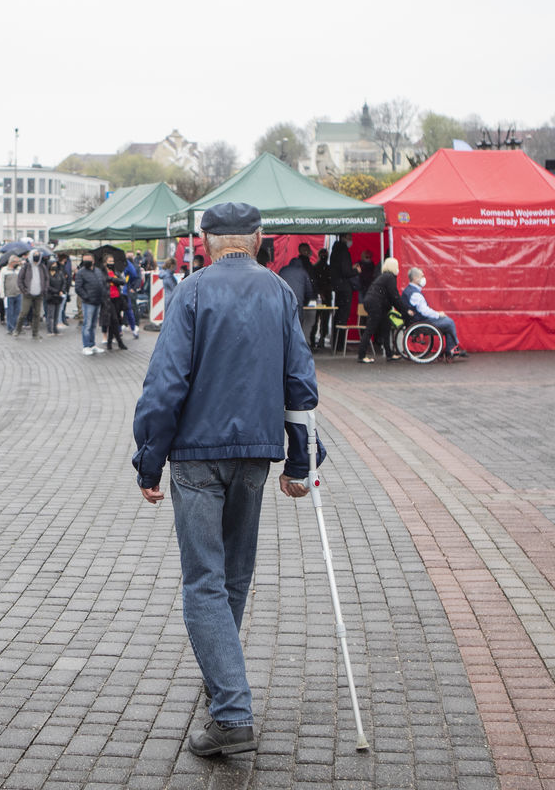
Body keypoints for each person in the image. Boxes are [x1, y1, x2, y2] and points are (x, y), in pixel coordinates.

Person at [131, 202, 321, 758]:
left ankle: (233, 712)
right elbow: (299, 381)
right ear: (258, 238)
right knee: (233, 575)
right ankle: (224, 675)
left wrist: (148, 459)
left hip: (196, 455)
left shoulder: (190, 293)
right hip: (255, 454)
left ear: (205, 240)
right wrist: (300, 462)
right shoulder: (279, 292)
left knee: (204, 581)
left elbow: (165, 385)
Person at [358, 257, 413, 363]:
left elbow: (392, 297)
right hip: (376, 305)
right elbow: (394, 296)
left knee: (385, 326)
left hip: (373, 303)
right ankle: (361, 356)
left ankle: (389, 354)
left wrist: (402, 309)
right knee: (370, 328)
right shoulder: (390, 278)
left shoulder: (384, 277)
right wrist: (405, 311)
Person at [402, 267, 466, 359]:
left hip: (416, 320)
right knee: (449, 322)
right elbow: (424, 311)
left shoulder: (409, 290)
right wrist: (437, 314)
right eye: (422, 276)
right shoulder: (415, 294)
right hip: (421, 321)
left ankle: (451, 349)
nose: (424, 278)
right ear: (416, 278)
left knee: (446, 322)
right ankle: (455, 346)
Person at [330, 235, 360, 347]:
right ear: (344, 238)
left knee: (338, 315)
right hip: (344, 287)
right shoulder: (344, 251)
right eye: (349, 237)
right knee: (343, 316)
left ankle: (337, 343)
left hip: (337, 286)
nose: (351, 239)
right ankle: (340, 344)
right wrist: (355, 271)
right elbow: (346, 271)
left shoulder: (335, 250)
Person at [74, 253, 106, 355]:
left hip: (97, 301)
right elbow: (78, 287)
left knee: (93, 325)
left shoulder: (98, 271)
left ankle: (92, 344)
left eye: (88, 260)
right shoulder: (81, 273)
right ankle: (86, 346)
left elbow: (102, 283)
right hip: (88, 302)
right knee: (87, 325)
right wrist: (86, 296)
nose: (86, 262)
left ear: (93, 261)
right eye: (84, 260)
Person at [14, 249, 47, 339]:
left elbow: (46, 279)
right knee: (24, 312)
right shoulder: (26, 267)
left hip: (39, 294)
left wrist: (44, 289)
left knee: (37, 314)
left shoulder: (42, 267)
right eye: (35, 255)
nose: (36, 256)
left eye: (38, 255)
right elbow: (20, 280)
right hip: (28, 294)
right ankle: (17, 329)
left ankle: (35, 333)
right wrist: (24, 290)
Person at [278, 243, 317, 318]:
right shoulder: (304, 270)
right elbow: (309, 288)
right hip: (299, 301)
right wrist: (311, 298)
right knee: (298, 323)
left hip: (284, 302)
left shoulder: (283, 270)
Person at [101, 255, 128, 350]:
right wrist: (113, 280)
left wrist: (112, 279)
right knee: (115, 320)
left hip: (117, 299)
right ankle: (120, 343)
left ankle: (109, 342)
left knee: (114, 322)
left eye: (112, 261)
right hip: (108, 299)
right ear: (105, 263)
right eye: (109, 261)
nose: (111, 263)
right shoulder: (102, 273)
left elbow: (123, 281)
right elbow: (103, 281)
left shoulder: (115, 272)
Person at [309, 248, 333, 350]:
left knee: (319, 319)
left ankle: (316, 339)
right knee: (321, 319)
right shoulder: (325, 268)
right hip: (323, 296)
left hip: (322, 295)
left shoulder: (318, 267)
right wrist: (321, 292)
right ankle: (319, 339)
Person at [1, 256, 22, 333]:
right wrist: (2, 294)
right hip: (8, 294)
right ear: (11, 262)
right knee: (9, 312)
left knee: (17, 311)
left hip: (18, 293)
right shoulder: (4, 270)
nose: (18, 263)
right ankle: (10, 327)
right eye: (16, 262)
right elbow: (1, 282)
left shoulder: (18, 270)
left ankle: (16, 327)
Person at [44, 260, 65, 335]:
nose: (55, 266)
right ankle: (50, 329)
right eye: (53, 264)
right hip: (50, 296)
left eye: (55, 264)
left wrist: (62, 290)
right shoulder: (46, 274)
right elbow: (46, 286)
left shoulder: (59, 273)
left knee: (56, 314)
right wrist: (56, 291)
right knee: (50, 314)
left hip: (58, 296)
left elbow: (63, 282)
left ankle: (55, 329)